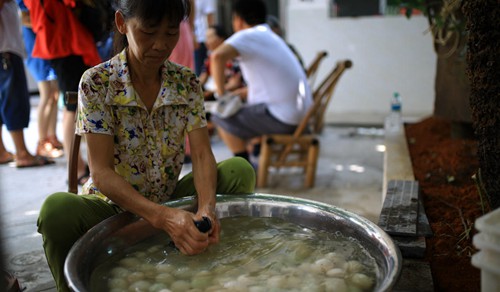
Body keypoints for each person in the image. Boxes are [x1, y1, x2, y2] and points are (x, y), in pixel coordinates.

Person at [36, 0, 255, 290]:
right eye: (149, 32)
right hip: (113, 212)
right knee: (56, 211)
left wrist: (206, 209)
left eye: (170, 32)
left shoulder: (185, 82)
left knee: (239, 170)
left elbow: (202, 154)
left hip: (170, 198)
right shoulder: (97, 83)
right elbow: (101, 173)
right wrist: (163, 217)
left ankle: (204, 253)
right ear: (121, 23)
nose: (161, 45)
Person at [210, 0, 312, 162]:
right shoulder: (269, 35)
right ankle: (252, 153)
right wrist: (238, 93)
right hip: (299, 116)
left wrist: (222, 96)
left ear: (238, 19)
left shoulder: (248, 35)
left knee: (219, 116)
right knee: (238, 110)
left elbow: (217, 57)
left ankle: (245, 165)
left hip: (283, 118)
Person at [23, 0, 102, 184]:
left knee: (76, 107)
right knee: (72, 108)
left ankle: (81, 167)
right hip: (64, 45)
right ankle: (77, 170)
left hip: (64, 43)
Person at [0, 0, 54, 168]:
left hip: (6, 47)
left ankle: (2, 151)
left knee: (6, 101)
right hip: (5, 50)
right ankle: (22, 153)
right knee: (14, 101)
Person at [17, 0, 63, 159]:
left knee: (55, 93)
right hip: (38, 46)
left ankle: (52, 137)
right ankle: (42, 142)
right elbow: (25, 17)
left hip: (49, 43)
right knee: (47, 93)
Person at [193, 0, 216, 76]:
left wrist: (210, 38)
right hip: (193, 38)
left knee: (200, 70)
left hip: (202, 39)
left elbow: (210, 17)